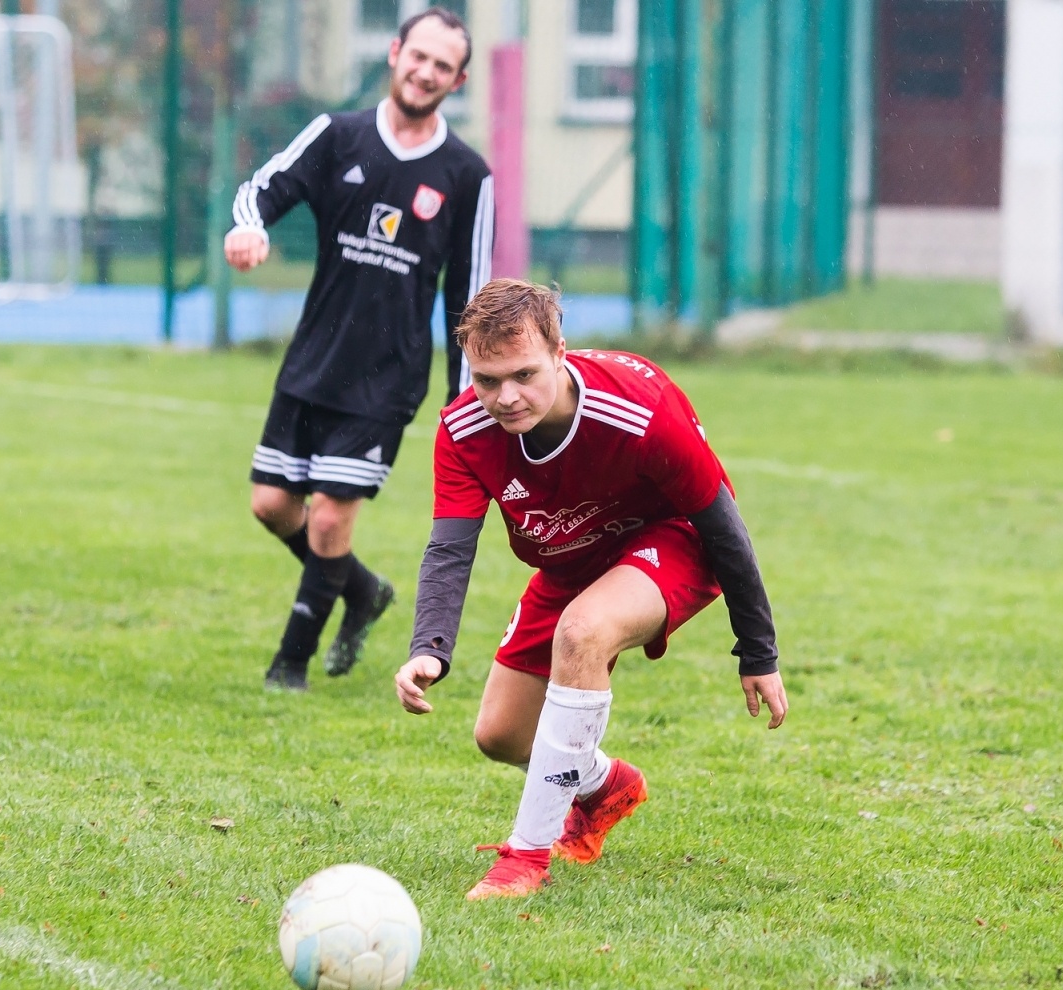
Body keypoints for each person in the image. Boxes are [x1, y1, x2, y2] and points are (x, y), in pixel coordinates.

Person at [393, 279, 789, 900]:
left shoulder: (640, 410)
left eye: (524, 374)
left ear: (560, 353)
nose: (505, 397)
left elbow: (723, 525)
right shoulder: (464, 431)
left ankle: (526, 860)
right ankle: (606, 786)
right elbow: (450, 546)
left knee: (584, 633)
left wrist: (758, 651)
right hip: (572, 560)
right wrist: (430, 647)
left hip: (673, 539)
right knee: (499, 735)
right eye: (487, 379)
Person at [226, 6, 494, 691]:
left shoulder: (467, 175)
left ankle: (290, 664)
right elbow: (262, 190)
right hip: (315, 358)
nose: (427, 72)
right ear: (396, 53)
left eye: (444, 66)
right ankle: (364, 591)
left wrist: (467, 400)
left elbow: (473, 298)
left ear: (457, 80)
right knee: (270, 504)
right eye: (420, 56)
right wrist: (249, 230)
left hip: (389, 378)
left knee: (329, 514)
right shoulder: (338, 136)